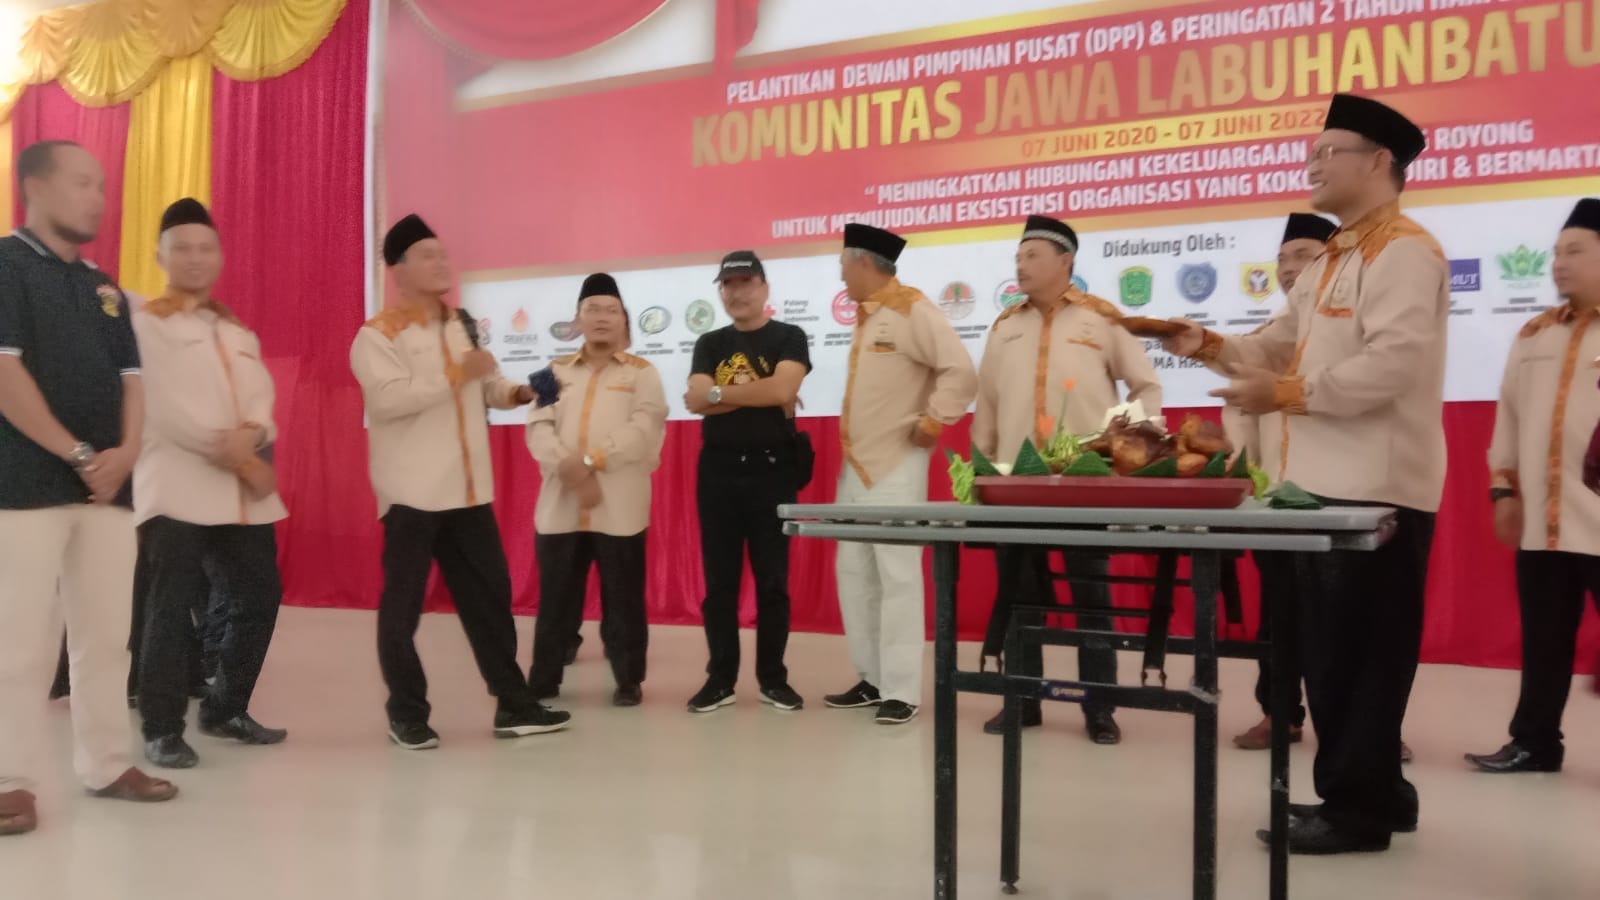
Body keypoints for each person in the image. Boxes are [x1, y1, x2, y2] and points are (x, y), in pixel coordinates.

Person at [1164, 94, 1446, 855]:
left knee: (1361, 659)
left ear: (1379, 161)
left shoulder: (1404, 252)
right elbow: (1275, 344)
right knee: (1333, 655)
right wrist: (1207, 344)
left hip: (1374, 489)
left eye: (1329, 153)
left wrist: (1285, 394)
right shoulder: (1332, 259)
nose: (1312, 165)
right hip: (1320, 488)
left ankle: (1356, 813)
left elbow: (1393, 364)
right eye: (1311, 153)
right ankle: (1380, 794)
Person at [0, 140, 179, 837]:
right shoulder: (6, 265)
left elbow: (133, 380)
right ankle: (9, 781)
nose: (98, 198)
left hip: (108, 490)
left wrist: (125, 454)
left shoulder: (105, 287)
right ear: (35, 187)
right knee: (20, 642)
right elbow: (5, 374)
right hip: (25, 485)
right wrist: (78, 454)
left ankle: (107, 764)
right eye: (82, 183)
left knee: (107, 637)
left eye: (101, 185)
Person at [351, 214, 569, 749]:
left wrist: (518, 393)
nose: (441, 263)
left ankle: (514, 705)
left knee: (490, 601)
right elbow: (389, 400)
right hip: (412, 494)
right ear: (399, 269)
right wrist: (458, 375)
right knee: (403, 609)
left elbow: (485, 384)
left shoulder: (460, 324)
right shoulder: (377, 334)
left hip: (468, 492)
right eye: (427, 255)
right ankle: (406, 712)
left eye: (443, 254)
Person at [971, 215, 1162, 744]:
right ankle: (1022, 700)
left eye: (1032, 256)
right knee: (1020, 597)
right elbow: (987, 407)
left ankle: (1099, 707)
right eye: (1018, 257)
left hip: (1086, 480)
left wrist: (1130, 445)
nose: (1020, 265)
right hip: (1016, 485)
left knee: (1091, 597)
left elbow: (1146, 386)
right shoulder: (1004, 326)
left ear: (1065, 262)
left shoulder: (1101, 319)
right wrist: (981, 472)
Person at [130, 198, 290, 768]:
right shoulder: (146, 324)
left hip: (239, 494)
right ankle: (162, 728)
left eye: (205, 248)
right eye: (182, 249)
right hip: (176, 486)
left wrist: (256, 433)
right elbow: (161, 405)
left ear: (219, 256)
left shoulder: (235, 329)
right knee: (168, 608)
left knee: (260, 595)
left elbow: (261, 398)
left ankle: (225, 707)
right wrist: (235, 454)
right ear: (161, 257)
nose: (195, 259)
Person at [823, 224, 978, 725]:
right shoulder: (869, 316)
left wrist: (935, 419)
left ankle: (902, 690)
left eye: (843, 264)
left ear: (863, 262)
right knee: (855, 574)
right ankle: (872, 678)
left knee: (897, 577)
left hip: (896, 463)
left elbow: (961, 371)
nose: (841, 275)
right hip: (856, 466)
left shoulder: (912, 309)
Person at [1466, 198, 1600, 774]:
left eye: (1575, 251)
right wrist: (1504, 490)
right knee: (1544, 638)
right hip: (1545, 521)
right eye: (1556, 252)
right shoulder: (1535, 332)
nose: (1559, 263)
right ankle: (1535, 743)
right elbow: (1510, 419)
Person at [526, 274, 667, 707]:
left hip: (619, 508)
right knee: (556, 601)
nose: (602, 318)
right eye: (592, 309)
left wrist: (589, 462)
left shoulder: (643, 374)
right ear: (578, 319)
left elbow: (643, 430)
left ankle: (628, 679)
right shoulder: (551, 372)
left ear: (624, 319)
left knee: (623, 601)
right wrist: (566, 466)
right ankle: (544, 681)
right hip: (561, 507)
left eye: (610, 310)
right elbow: (538, 426)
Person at [1224, 212, 1334, 752]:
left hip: (1339, 493)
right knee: (1278, 613)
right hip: (1277, 497)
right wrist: (1246, 472)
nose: (1289, 269)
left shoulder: (1346, 330)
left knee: (1346, 617)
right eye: (1283, 260)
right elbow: (1239, 408)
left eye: (1303, 256)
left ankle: (1363, 728)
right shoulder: (1267, 338)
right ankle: (1279, 713)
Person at [683, 251, 811, 713]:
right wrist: (758, 394)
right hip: (717, 472)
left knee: (773, 582)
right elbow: (695, 400)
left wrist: (720, 394)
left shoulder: (789, 336)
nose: (737, 292)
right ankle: (720, 680)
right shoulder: (710, 342)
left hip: (772, 472)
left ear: (764, 288)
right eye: (728, 284)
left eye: (746, 283)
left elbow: (782, 389)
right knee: (719, 584)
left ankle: (773, 680)